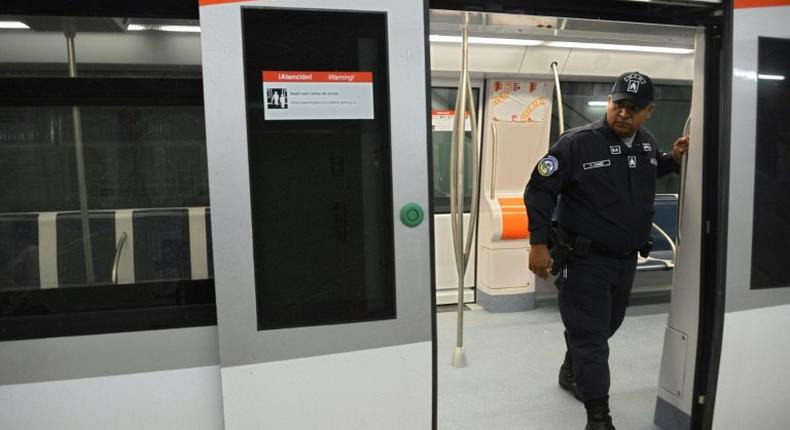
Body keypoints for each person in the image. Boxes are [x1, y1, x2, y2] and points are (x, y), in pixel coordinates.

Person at [523, 71, 689, 430]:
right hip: (584, 260)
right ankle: (599, 417)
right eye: (618, 104)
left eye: (634, 108)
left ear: (649, 111)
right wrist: (537, 243)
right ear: (610, 104)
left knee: (605, 327)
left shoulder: (645, 144)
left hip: (625, 261)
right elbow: (539, 190)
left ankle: (572, 368)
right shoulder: (576, 143)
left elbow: (645, 169)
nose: (624, 113)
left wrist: (671, 160)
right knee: (592, 337)